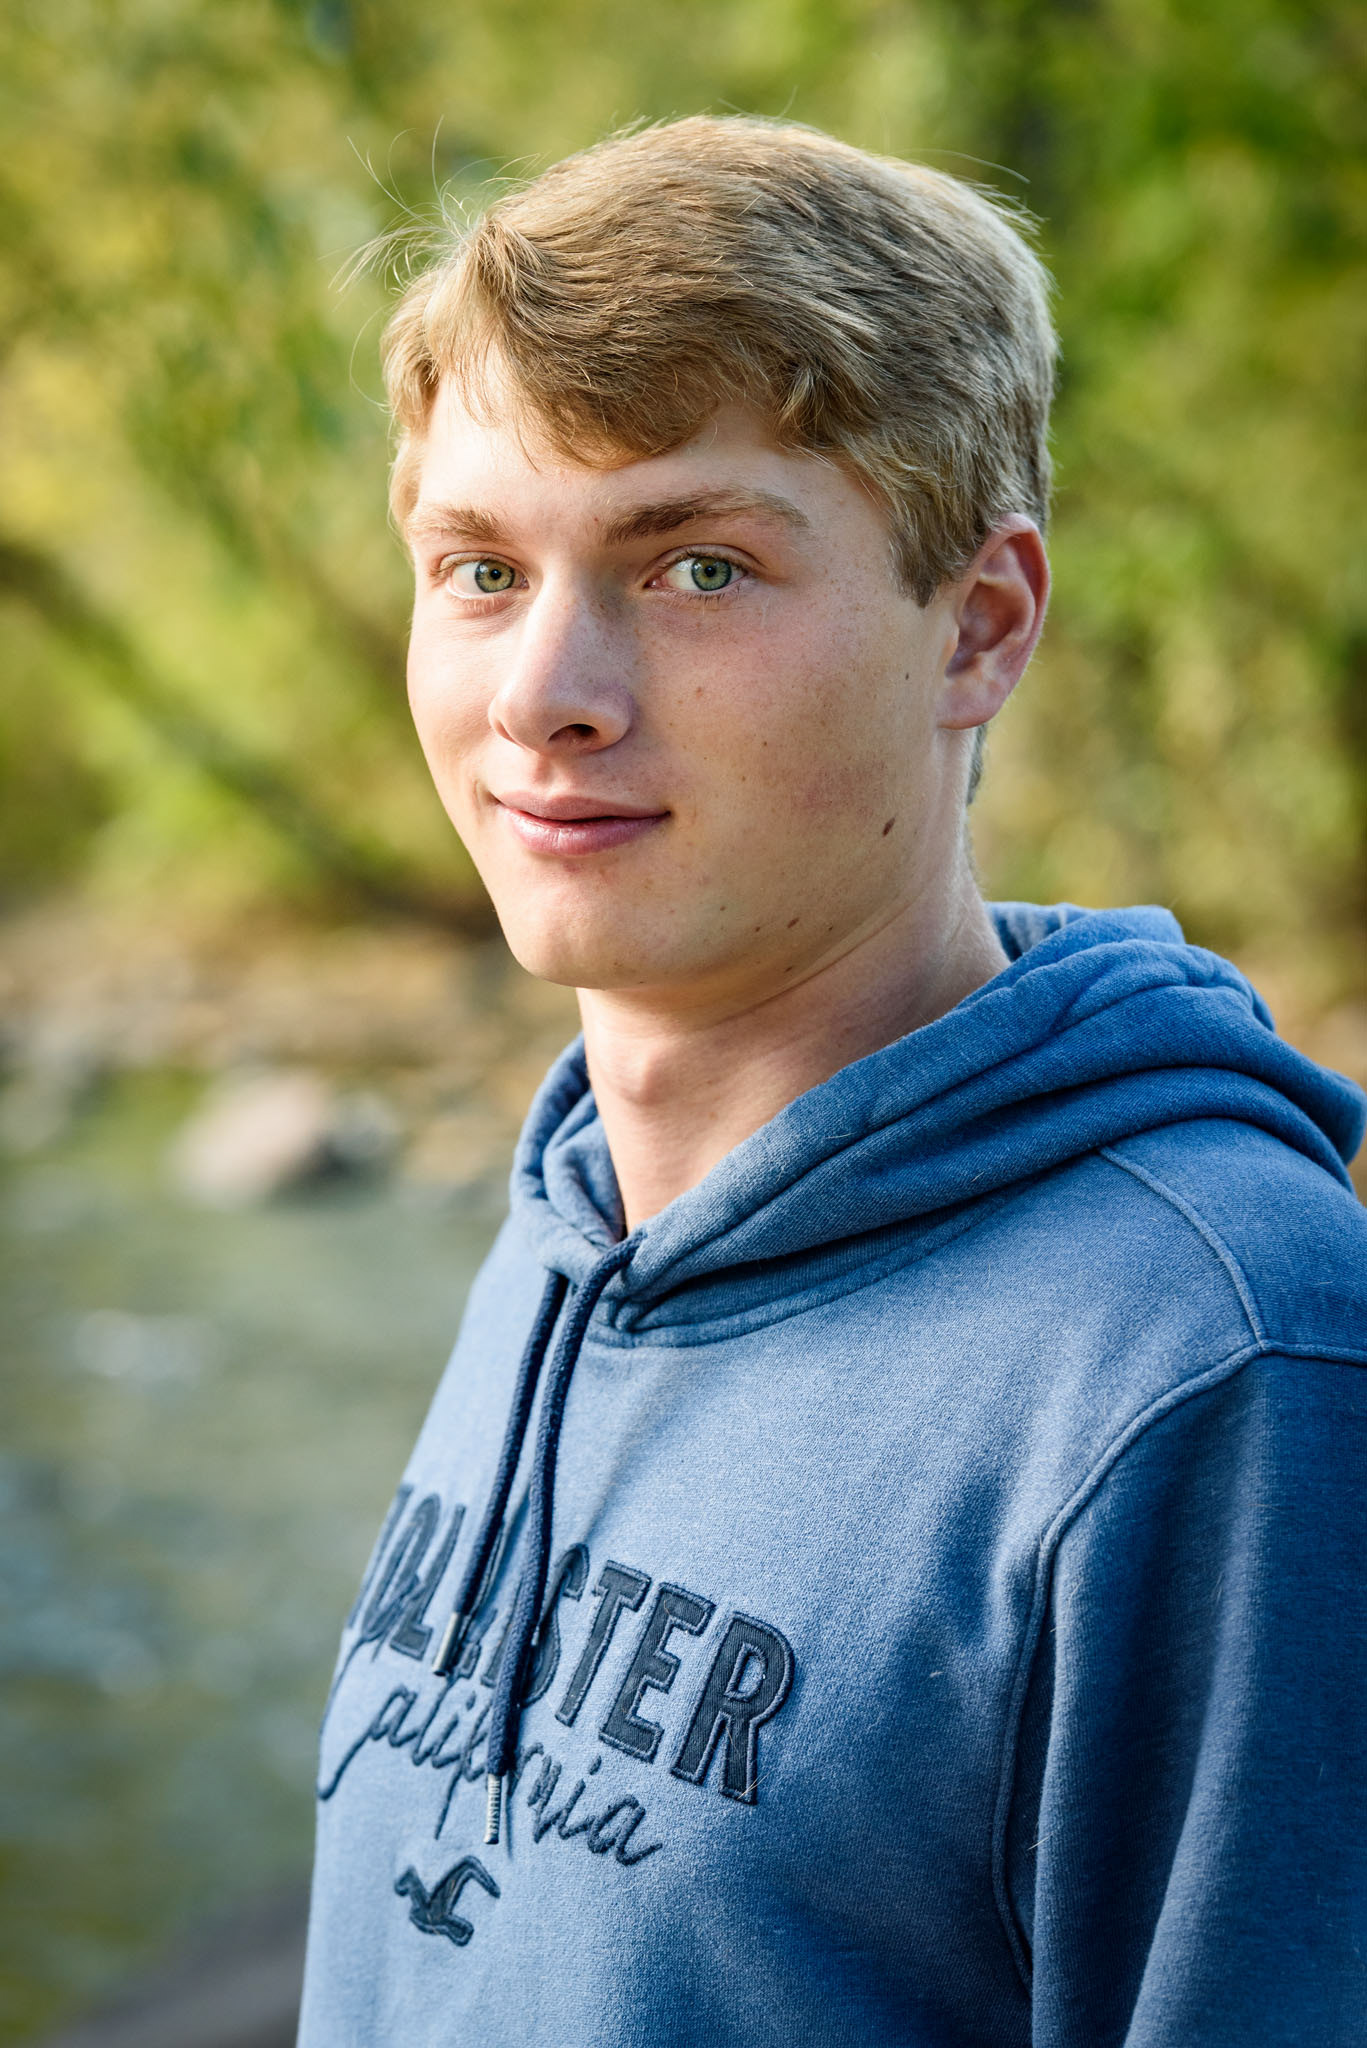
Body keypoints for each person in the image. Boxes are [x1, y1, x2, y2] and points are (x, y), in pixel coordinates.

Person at [296, 117, 1367, 2046]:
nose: (544, 692)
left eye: (697, 566)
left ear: (981, 627)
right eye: (480, 569)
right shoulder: (565, 1233)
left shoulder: (1222, 1363)